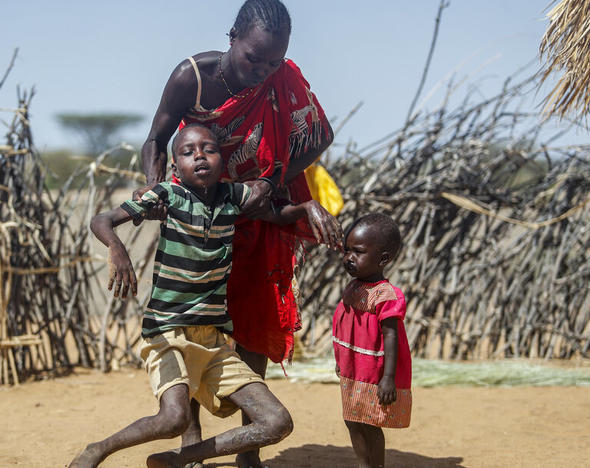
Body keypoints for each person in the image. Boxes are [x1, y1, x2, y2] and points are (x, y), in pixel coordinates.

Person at [137, 1, 343, 466]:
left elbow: (319, 135)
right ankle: (191, 443)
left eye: (274, 61)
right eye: (255, 58)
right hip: (199, 215)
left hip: (258, 209)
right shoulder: (192, 78)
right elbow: (156, 138)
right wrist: (155, 189)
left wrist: (272, 180)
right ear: (232, 37)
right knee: (191, 317)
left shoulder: (281, 79)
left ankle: (248, 447)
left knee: (252, 320)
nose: (264, 70)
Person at [70, 125, 334, 468]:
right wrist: (117, 248)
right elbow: (102, 219)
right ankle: (97, 449)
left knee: (277, 422)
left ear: (222, 159)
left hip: (213, 343)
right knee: (173, 418)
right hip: (167, 333)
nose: (199, 156)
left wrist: (307, 208)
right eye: (188, 151)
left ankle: (180, 458)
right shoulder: (167, 195)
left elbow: (272, 214)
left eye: (208, 149)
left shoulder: (232, 196)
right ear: (175, 166)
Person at [332, 213, 412, 468]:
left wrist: (388, 377)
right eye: (347, 251)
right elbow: (346, 327)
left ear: (383, 259)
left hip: (373, 374)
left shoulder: (386, 296)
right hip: (354, 370)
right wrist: (341, 361)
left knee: (370, 423)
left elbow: (391, 336)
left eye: (358, 252)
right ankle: (362, 464)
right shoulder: (355, 287)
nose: (349, 258)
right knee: (352, 418)